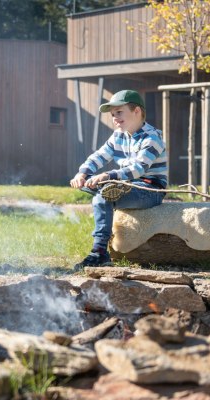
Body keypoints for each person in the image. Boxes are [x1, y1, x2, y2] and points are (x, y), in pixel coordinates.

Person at [70, 89, 167, 270]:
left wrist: (108, 176)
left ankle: (99, 251)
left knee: (102, 195)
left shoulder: (152, 137)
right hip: (127, 185)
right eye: (113, 115)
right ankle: (101, 187)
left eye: (119, 112)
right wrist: (83, 173)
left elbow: (138, 169)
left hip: (150, 189)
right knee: (94, 183)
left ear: (137, 111)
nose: (115, 118)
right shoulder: (118, 136)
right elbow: (100, 155)